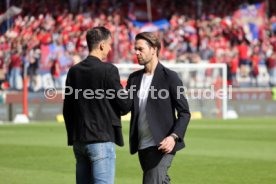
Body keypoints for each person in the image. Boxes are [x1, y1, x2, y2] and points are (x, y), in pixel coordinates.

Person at [63, 26, 130, 184]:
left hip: (79, 141)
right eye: (109, 44)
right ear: (101, 45)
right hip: (100, 139)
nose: (109, 48)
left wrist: (75, 136)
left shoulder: (74, 71)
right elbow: (124, 105)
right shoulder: (108, 70)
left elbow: (67, 110)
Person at [126, 32, 191, 184]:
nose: (136, 52)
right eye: (135, 49)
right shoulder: (133, 79)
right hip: (142, 146)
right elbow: (125, 107)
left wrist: (173, 137)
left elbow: (184, 113)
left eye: (140, 49)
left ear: (154, 49)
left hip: (162, 145)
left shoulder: (170, 77)